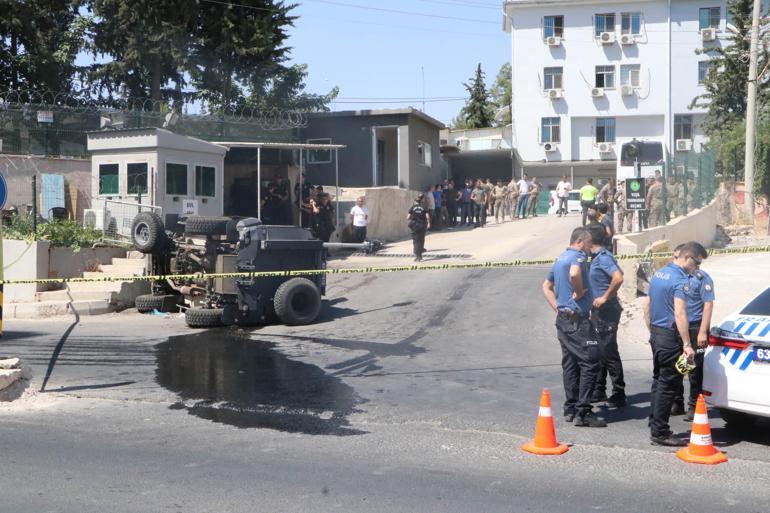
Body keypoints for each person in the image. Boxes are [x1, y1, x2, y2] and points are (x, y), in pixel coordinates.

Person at [542, 227, 607, 428]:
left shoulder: (561, 257)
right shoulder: (578, 257)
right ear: (580, 242)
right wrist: (578, 292)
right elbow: (575, 273)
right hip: (578, 321)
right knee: (590, 362)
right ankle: (583, 412)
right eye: (588, 245)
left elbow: (546, 286)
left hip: (564, 319)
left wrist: (559, 308)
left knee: (570, 362)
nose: (589, 250)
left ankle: (570, 407)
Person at [643, 241, 706, 446]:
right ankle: (660, 432)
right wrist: (687, 343)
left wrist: (652, 330)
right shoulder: (681, 280)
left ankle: (655, 421)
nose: (697, 268)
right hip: (671, 336)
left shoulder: (660, 274)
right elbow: (680, 313)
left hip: (657, 333)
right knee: (668, 383)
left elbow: (647, 304)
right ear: (688, 258)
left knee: (658, 378)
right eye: (696, 263)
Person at [671, 245, 715, 421]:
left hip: (696, 327)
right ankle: (677, 402)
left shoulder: (702, 278)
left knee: (695, 370)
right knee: (678, 365)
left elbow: (708, 304)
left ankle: (694, 405)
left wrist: (703, 331)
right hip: (678, 327)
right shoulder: (677, 277)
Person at [587, 225, 626, 408]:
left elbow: (618, 277)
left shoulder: (604, 258)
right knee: (600, 350)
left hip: (607, 310)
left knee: (609, 351)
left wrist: (605, 297)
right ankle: (599, 390)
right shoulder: (596, 258)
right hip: (598, 311)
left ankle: (619, 393)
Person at [408, 194, 430, 261]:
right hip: (422, 225)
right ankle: (419, 254)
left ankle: (418, 256)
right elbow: (427, 216)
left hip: (415, 226)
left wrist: (413, 217)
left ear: (415, 201)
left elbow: (408, 217)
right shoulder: (424, 207)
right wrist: (429, 223)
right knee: (421, 239)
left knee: (416, 241)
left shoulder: (412, 207)